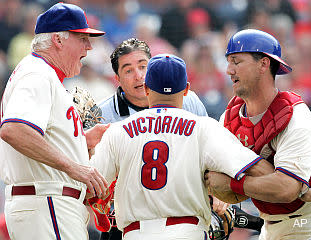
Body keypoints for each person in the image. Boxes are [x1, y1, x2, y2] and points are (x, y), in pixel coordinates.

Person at [90, 53, 271, 240]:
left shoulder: (119, 131)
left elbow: (89, 186)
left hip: (135, 232)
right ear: (186, 90)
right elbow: (256, 168)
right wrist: (290, 178)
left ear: (146, 88)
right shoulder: (204, 128)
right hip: (187, 230)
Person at [0, 3, 109, 239]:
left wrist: (81, 141)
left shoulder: (43, 73)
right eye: (82, 38)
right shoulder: (37, 73)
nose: (89, 46)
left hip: (48, 204)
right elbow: (13, 129)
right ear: (58, 40)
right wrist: (75, 167)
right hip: (47, 202)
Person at [205, 29, 311, 240]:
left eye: (236, 61)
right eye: (229, 62)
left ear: (264, 64)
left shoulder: (295, 116)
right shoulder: (230, 118)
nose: (229, 70)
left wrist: (234, 183)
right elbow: (212, 177)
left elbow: (286, 189)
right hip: (266, 225)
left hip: (306, 223)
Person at [98, 38, 206, 240]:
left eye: (143, 66)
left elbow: (207, 155)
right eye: (128, 70)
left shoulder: (188, 99)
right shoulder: (103, 113)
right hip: (125, 218)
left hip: (182, 211)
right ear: (117, 78)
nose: (138, 76)